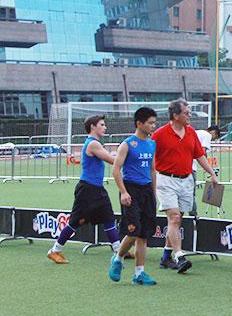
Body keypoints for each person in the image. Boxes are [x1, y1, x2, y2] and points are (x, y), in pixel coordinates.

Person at [152, 99, 221, 273]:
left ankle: (166, 257)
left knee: (177, 219)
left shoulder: (191, 133)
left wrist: (212, 173)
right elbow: (151, 157)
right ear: (175, 115)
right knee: (174, 217)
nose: (189, 115)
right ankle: (179, 256)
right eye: (186, 112)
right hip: (167, 180)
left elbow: (199, 155)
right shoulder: (160, 134)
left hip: (186, 180)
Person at [46, 115, 121, 265]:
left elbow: (112, 158)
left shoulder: (96, 143)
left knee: (108, 218)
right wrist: (127, 154)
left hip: (97, 189)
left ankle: (119, 251)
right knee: (74, 221)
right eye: (102, 124)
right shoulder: (93, 144)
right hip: (87, 190)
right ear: (93, 126)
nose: (105, 127)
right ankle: (55, 250)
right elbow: (113, 160)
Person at [109, 107, 158, 285]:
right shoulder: (127, 144)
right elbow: (116, 169)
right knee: (133, 231)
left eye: (154, 122)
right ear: (139, 123)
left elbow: (152, 170)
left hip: (146, 191)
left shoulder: (152, 144)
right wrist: (123, 191)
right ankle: (118, 258)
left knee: (144, 235)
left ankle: (139, 273)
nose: (153, 126)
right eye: (150, 123)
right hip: (131, 189)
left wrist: (153, 193)